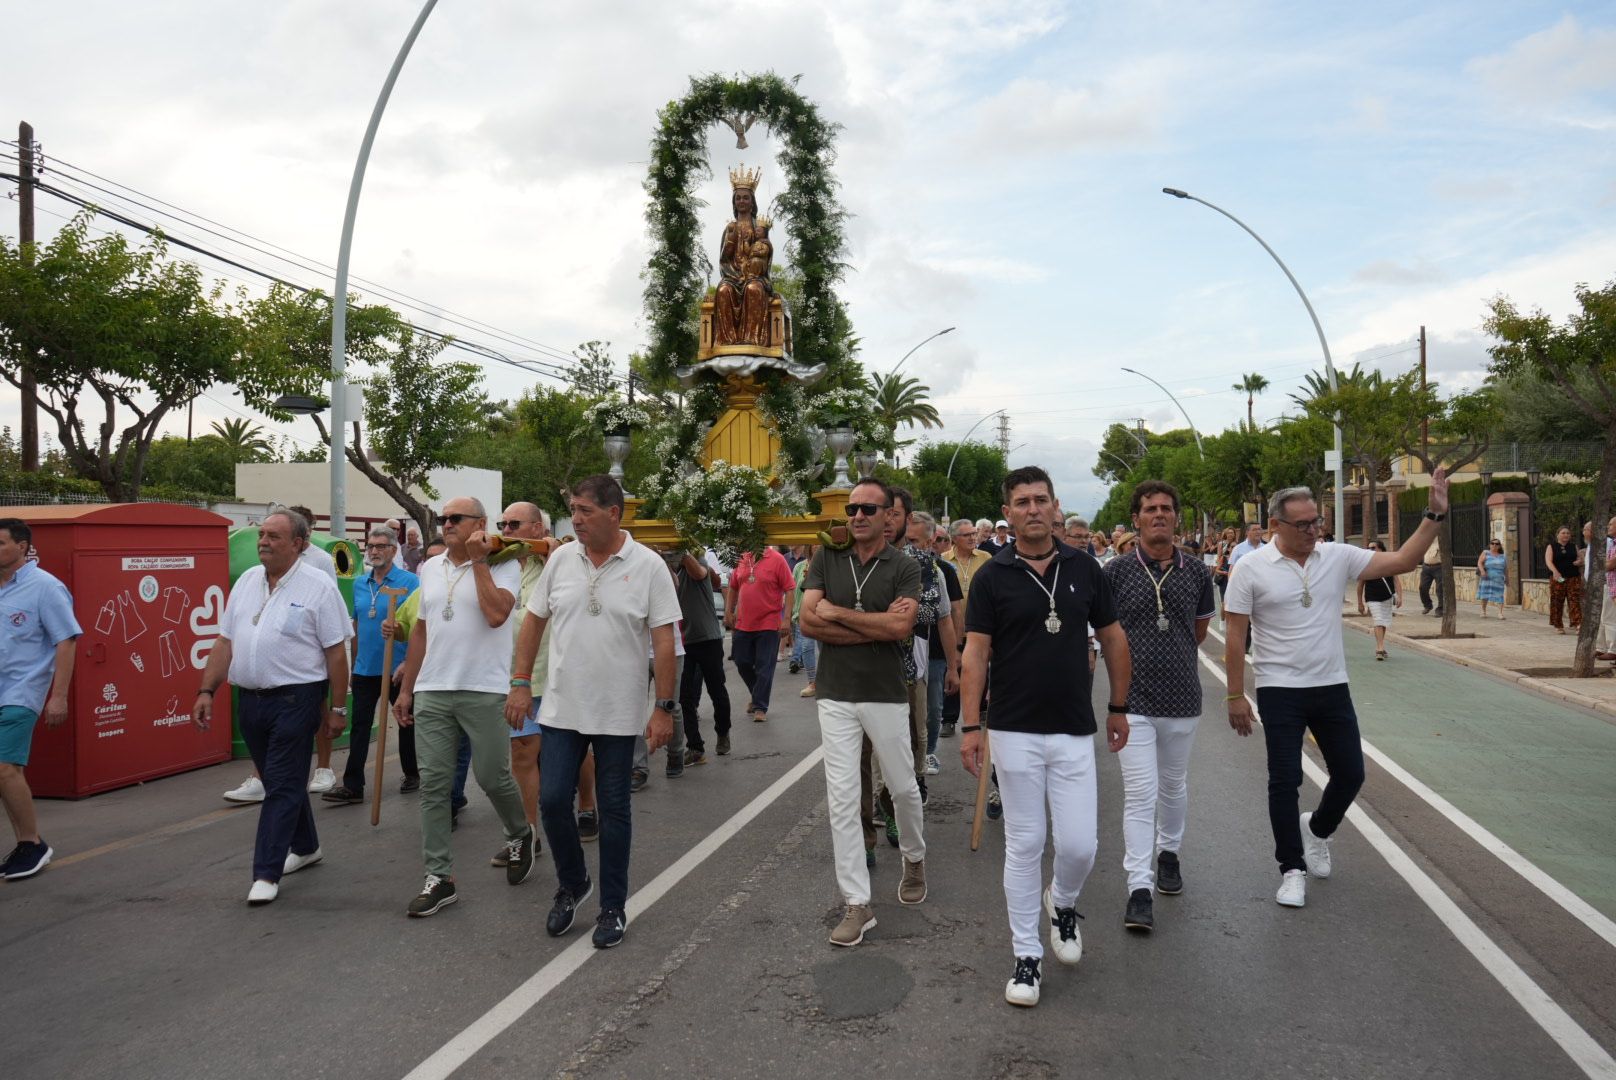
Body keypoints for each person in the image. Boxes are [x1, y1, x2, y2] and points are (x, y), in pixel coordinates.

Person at [1224, 472, 1451, 909]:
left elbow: (1403, 560)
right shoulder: (1249, 568)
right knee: (1284, 779)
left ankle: (1318, 830)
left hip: (1331, 686)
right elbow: (1235, 635)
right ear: (1276, 526)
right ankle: (1291, 868)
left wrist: (1434, 513)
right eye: (1304, 525)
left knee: (1351, 774)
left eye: (1317, 521)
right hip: (1280, 689)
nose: (1315, 531)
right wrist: (1236, 695)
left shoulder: (1336, 557)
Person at [960, 466, 1131, 1007]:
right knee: (1026, 843)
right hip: (1013, 728)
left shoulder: (1086, 568)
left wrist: (1119, 706)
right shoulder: (992, 576)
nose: (1032, 509)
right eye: (1021, 502)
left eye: (1040, 500)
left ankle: (1064, 900)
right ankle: (1027, 957)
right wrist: (970, 726)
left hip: (1074, 728)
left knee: (1081, 844)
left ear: (1055, 506)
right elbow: (976, 653)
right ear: (1008, 513)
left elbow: (1113, 637)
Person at [507, 475, 680, 949]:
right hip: (562, 706)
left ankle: (612, 907)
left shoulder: (648, 567)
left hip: (618, 713)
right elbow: (534, 623)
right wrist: (521, 682)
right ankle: (573, 883)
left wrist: (663, 707)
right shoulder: (561, 560)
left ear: (613, 514)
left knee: (615, 811)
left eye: (584, 511)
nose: (576, 519)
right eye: (573, 510)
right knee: (552, 799)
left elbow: (664, 640)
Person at [192, 509, 351, 905]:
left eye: (274, 536)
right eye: (261, 534)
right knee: (284, 780)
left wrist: (338, 709)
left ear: (298, 544)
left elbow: (336, 653)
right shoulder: (246, 582)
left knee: (279, 785)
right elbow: (225, 641)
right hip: (251, 701)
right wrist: (207, 690)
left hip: (297, 700)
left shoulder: (319, 586)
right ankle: (308, 845)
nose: (263, 541)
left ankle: (266, 871)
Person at [394, 496, 535, 918]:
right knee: (434, 787)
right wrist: (408, 689)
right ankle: (439, 877)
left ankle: (519, 833)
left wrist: (478, 563)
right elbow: (421, 630)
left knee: (492, 776)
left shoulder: (505, 564)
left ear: (480, 523)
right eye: (443, 518)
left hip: (484, 688)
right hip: (434, 690)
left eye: (455, 518)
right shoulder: (429, 567)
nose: (446, 524)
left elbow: (496, 616)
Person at [800, 477, 925, 947]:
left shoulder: (905, 567)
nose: (856, 516)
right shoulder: (826, 557)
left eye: (867, 510)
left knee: (904, 788)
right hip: (834, 693)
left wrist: (839, 614)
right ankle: (857, 903)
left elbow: (900, 626)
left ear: (888, 517)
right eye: (852, 508)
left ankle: (914, 855)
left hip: (885, 692)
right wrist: (872, 628)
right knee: (843, 798)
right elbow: (807, 621)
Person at [1102, 481, 1215, 933]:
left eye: (1167, 508)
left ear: (1176, 517)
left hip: (1183, 698)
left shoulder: (1198, 573)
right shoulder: (1115, 572)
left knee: (1173, 786)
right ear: (1137, 519)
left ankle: (1169, 853)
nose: (1159, 515)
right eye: (1150, 509)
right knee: (1140, 793)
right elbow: (1106, 635)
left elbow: (1200, 632)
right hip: (1132, 702)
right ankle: (1139, 887)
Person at [0, 519, 81, 880]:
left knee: (4, 768)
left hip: (21, 691)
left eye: (0, 543)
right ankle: (24, 844)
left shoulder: (46, 587)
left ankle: (32, 844)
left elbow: (66, 640)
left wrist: (58, 696)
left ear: (21, 546)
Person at [321, 526, 419, 806]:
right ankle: (353, 785)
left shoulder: (410, 582)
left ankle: (412, 772)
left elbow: (418, 628)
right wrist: (353, 666)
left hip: (397, 667)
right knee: (360, 725)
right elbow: (356, 624)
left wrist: (408, 665)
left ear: (393, 550)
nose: (374, 551)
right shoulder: (360, 583)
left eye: (380, 546)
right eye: (370, 546)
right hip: (365, 668)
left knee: (405, 722)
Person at [494, 503, 554, 859]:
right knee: (522, 752)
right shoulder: (496, 564)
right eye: (503, 523)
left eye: (514, 523)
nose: (507, 529)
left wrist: (541, 546)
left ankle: (588, 805)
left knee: (572, 758)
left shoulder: (552, 560)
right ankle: (528, 833)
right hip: (515, 679)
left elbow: (559, 546)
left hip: (555, 673)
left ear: (536, 528)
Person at [673, 547, 732, 761]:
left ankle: (723, 732)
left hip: (708, 639)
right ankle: (695, 747)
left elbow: (698, 573)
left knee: (716, 690)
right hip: (684, 642)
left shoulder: (697, 561)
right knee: (685, 697)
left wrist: (682, 550)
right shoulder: (672, 571)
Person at [725, 543, 793, 723]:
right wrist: (728, 611)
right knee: (741, 661)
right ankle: (757, 695)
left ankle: (760, 706)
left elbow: (790, 588)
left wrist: (786, 619)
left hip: (769, 623)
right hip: (743, 623)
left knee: (765, 666)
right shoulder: (741, 558)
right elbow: (733, 586)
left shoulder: (777, 559)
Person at [941, 518, 991, 739]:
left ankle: (981, 709)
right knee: (953, 670)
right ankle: (949, 719)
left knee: (980, 668)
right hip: (952, 628)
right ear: (954, 539)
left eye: (974, 533)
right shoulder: (943, 560)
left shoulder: (986, 558)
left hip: (980, 626)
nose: (972, 538)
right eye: (967, 535)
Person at [1356, 540, 1403, 659]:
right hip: (1372, 597)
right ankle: (1380, 648)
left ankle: (1380, 646)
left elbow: (1396, 580)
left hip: (1387, 597)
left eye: (1373, 548)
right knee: (1378, 620)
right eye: (1369, 548)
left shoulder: (1389, 564)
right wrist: (1360, 603)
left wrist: (1400, 596)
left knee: (1384, 622)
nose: (1370, 550)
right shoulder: (1365, 566)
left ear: (1381, 550)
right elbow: (1360, 585)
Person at [790, 550, 818, 700]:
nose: (816, 546)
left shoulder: (828, 564)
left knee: (824, 650)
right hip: (803, 613)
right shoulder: (800, 567)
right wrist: (792, 613)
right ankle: (812, 682)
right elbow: (794, 590)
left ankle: (825, 681)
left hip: (823, 613)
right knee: (807, 647)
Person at [1546, 525, 1582, 635]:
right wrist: (1555, 572)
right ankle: (1558, 625)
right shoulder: (1552, 546)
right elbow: (1548, 561)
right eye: (1563, 533)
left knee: (1574, 600)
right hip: (1558, 578)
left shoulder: (1573, 546)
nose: (1566, 535)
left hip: (1573, 577)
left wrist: (1579, 561)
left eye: (1568, 533)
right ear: (1558, 535)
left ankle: (1578, 624)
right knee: (1557, 601)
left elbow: (1580, 558)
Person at [1475, 539, 1507, 621]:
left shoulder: (1503, 556)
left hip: (1499, 579)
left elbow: (1506, 569)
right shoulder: (1486, 552)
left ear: (1499, 546)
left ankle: (1500, 613)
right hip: (1487, 578)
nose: (1494, 545)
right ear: (1490, 545)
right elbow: (1479, 562)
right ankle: (1483, 611)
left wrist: (1507, 578)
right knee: (1485, 594)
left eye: (1496, 544)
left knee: (1499, 595)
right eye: (1492, 543)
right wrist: (1482, 571)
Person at [1599, 517, 1616, 663]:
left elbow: (1610, 564)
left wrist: (1601, 564)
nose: (1608, 526)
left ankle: (1613, 650)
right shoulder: (1612, 544)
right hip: (1611, 585)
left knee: (1611, 619)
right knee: (1607, 618)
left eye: (1611, 524)